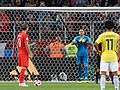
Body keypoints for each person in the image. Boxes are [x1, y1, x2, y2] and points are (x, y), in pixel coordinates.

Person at [94, 20, 120, 90]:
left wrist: (98, 51)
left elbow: (95, 43)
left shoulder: (102, 35)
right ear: (113, 27)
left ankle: (103, 88)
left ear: (105, 27)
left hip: (104, 55)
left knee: (102, 73)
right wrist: (118, 54)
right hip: (113, 55)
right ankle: (117, 88)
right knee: (115, 74)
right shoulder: (116, 35)